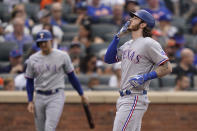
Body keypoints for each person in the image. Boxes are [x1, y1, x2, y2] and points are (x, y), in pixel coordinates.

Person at [104, 10, 172, 131]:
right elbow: (108, 59)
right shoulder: (128, 43)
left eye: (135, 18)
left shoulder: (149, 43)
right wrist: (117, 37)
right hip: (124, 98)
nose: (130, 20)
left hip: (134, 97)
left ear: (143, 24)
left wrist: (145, 77)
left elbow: (167, 67)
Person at [25, 30, 88, 131]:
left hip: (56, 95)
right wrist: (30, 100)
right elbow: (29, 80)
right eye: (41, 42)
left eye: (45, 41)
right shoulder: (32, 59)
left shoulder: (62, 56)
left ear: (51, 41)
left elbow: (72, 76)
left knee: (49, 128)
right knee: (40, 129)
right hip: (39, 96)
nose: (43, 44)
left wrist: (81, 93)